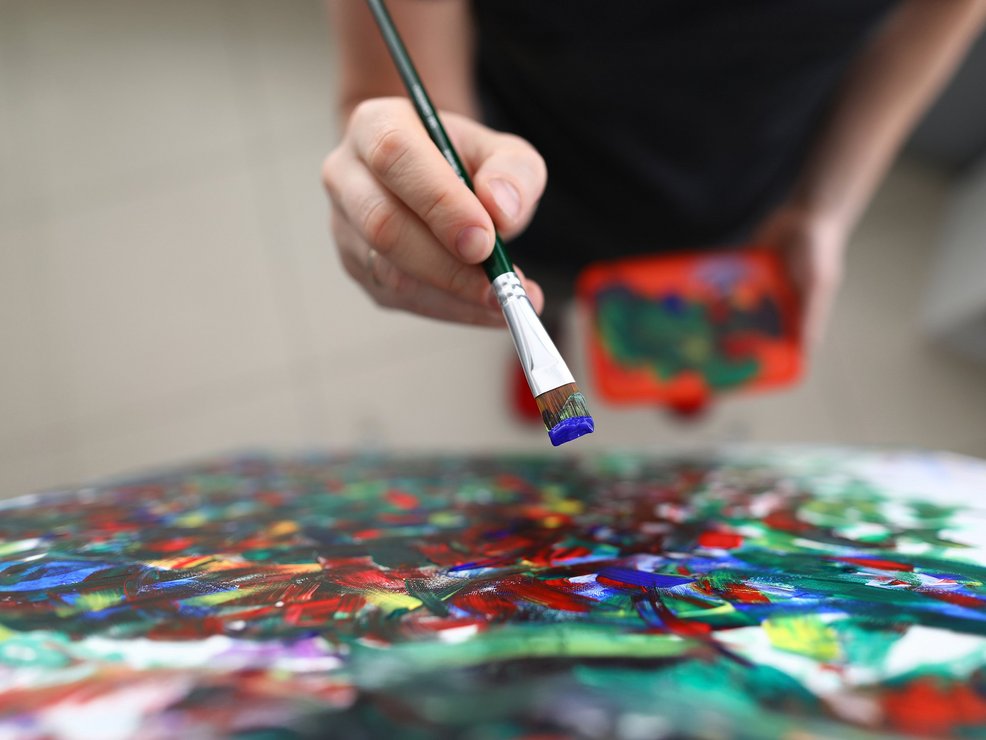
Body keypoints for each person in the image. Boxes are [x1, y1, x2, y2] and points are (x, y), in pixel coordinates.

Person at [323, 0, 986, 352]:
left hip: (743, 192)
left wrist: (826, 208)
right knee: (533, 300)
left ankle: (673, 372)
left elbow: (942, 15)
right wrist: (407, 179)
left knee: (682, 337)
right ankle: (543, 340)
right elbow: (403, 92)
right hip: (526, 194)